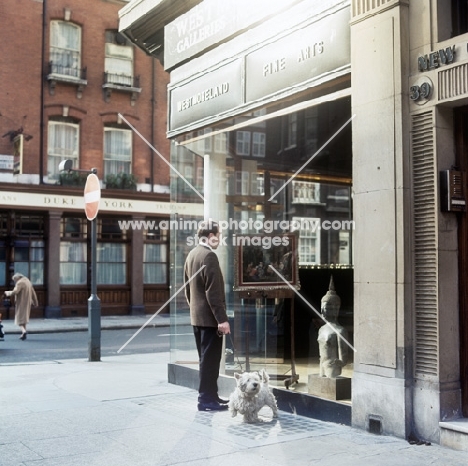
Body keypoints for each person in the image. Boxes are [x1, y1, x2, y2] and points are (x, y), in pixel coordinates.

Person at [184, 220, 231, 411]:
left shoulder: (192, 254)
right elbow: (214, 293)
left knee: (206, 360)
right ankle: (205, 399)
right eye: (219, 235)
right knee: (210, 361)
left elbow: (188, 290)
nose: (220, 239)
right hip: (211, 320)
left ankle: (212, 396)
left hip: (198, 318)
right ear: (211, 236)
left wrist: (196, 310)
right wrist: (222, 320)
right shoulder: (209, 256)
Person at [317, 276, 348, 378]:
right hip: (322, 366)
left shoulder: (340, 331)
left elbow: (343, 360)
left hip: (332, 367)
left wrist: (334, 364)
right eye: (322, 308)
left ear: (335, 309)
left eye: (325, 308)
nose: (322, 311)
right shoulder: (321, 329)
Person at [4, 273, 38, 340]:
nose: (15, 281)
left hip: (21, 302)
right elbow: (33, 292)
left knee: (19, 319)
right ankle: (23, 334)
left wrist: (7, 293)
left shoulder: (20, 282)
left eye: (15, 280)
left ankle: (24, 331)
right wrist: (35, 302)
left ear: (17, 278)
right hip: (27, 302)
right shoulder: (28, 281)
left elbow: (15, 292)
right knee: (24, 318)